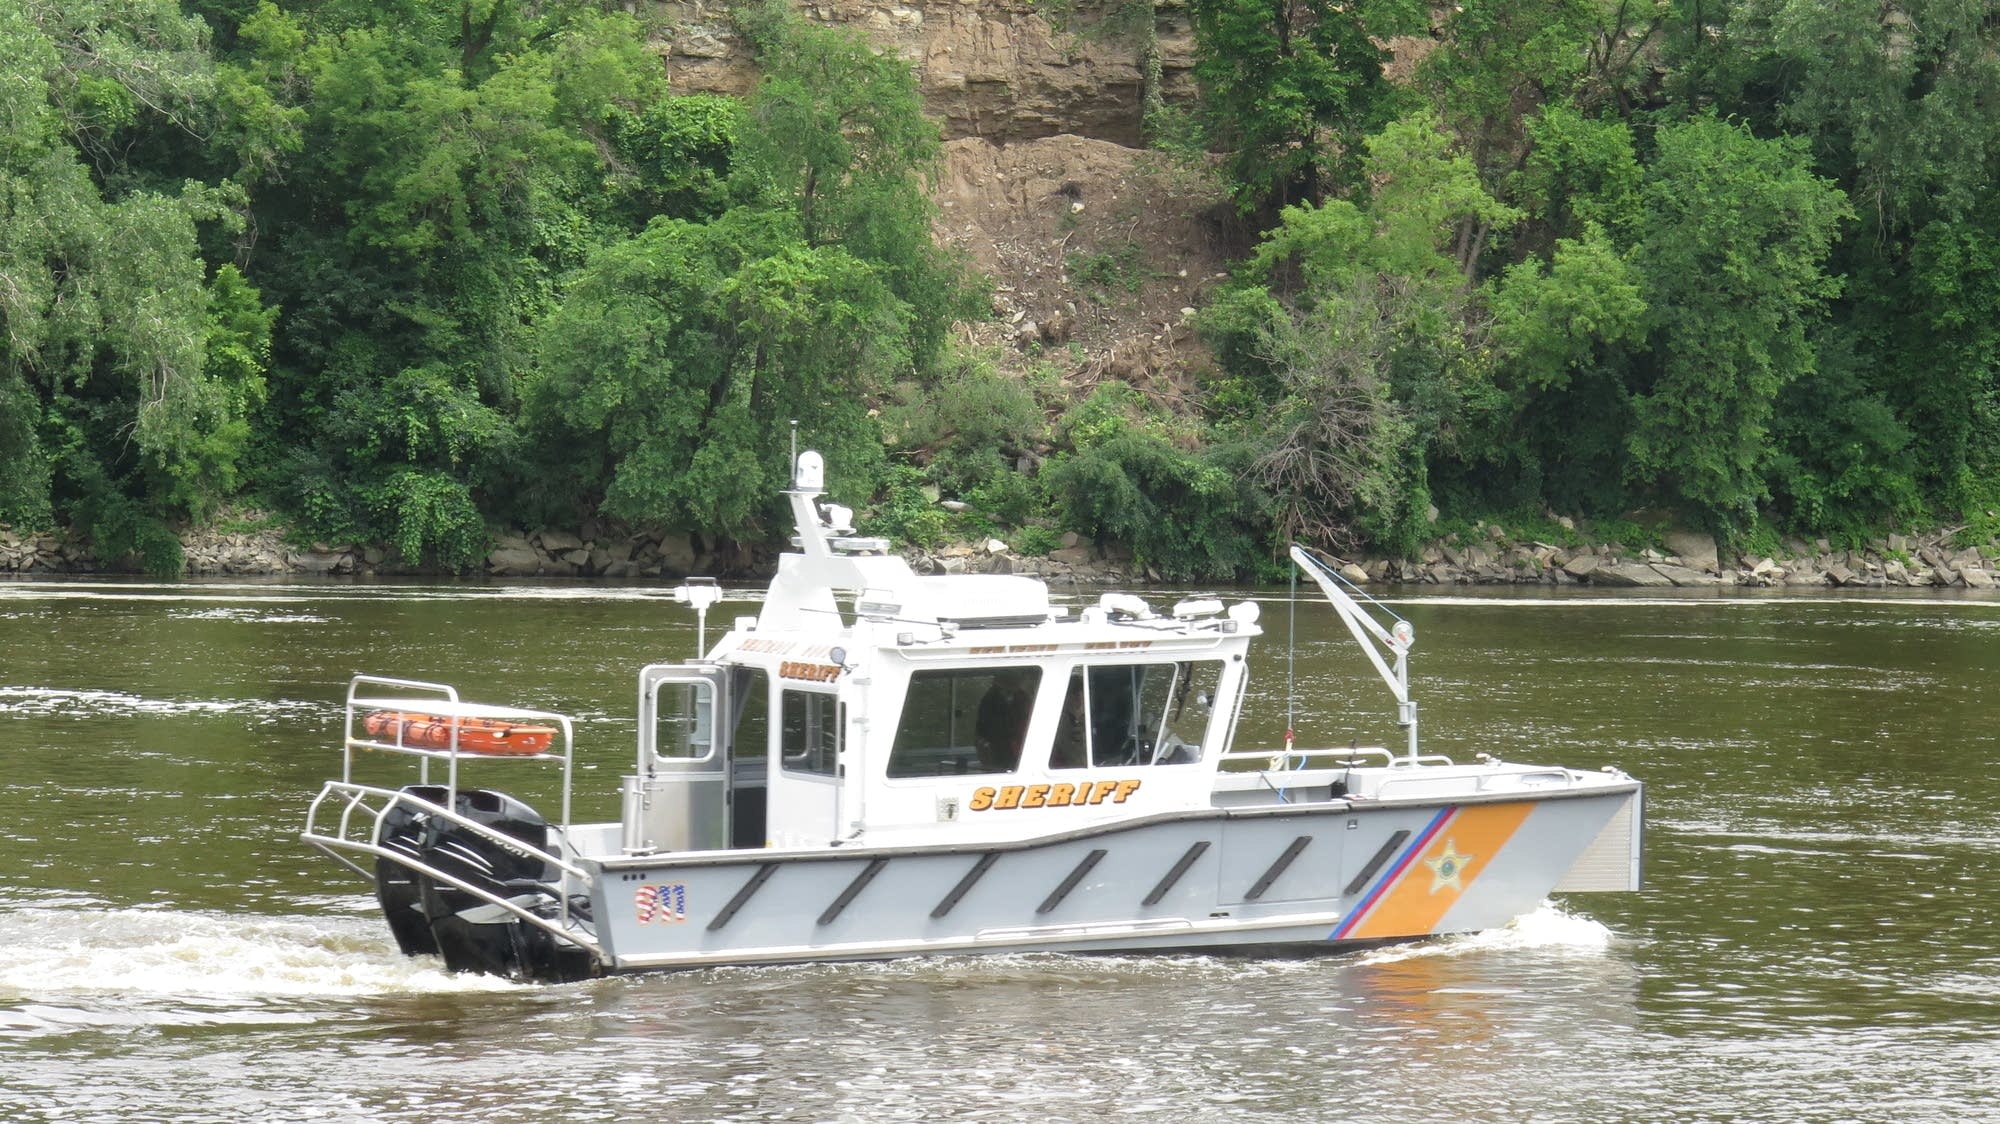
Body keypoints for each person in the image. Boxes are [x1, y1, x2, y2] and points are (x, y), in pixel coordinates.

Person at [974, 674, 1031, 772]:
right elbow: (983, 726)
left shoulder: (1023, 697)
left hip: (1020, 746)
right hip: (998, 748)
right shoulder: (990, 698)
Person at [1050, 675, 1088, 769]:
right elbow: (1069, 751)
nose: (1080, 698)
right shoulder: (1060, 721)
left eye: (1081, 694)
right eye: (1075, 694)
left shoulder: (1084, 718)